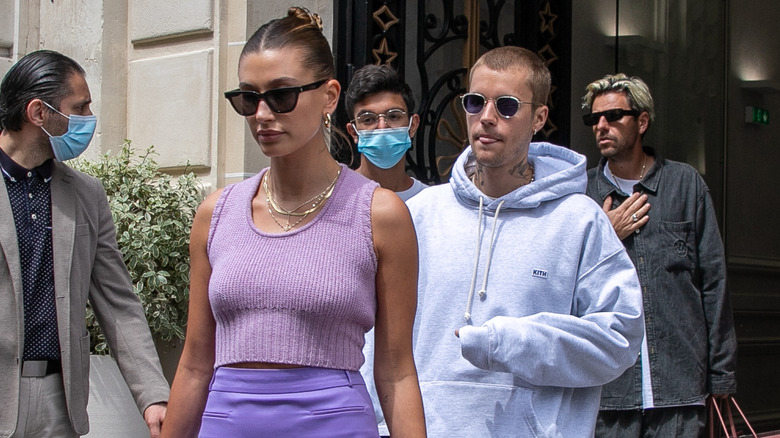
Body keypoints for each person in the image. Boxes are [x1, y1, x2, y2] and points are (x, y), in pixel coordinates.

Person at [161, 7, 426, 438]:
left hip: (334, 425)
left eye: (281, 95)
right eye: (248, 98)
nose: (262, 113)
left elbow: (396, 373)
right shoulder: (216, 213)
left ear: (329, 95)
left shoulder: (380, 215)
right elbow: (194, 364)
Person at [399, 45, 644, 437]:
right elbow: (379, 338)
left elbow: (619, 338)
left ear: (539, 118)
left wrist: (514, 342)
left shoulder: (578, 220)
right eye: (475, 102)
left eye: (507, 106)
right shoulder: (421, 214)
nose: (487, 118)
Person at [0, 50, 169, 437]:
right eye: (79, 107)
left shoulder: (86, 194)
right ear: (38, 113)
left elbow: (118, 300)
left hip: (60, 403)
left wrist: (153, 393)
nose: (88, 118)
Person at [581, 73, 737, 437]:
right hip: (609, 392)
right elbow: (561, 287)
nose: (601, 125)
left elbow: (713, 282)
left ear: (643, 121)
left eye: (614, 116)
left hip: (679, 388)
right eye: (594, 119)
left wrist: (721, 373)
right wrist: (607, 237)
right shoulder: (582, 196)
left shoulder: (685, 185)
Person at [344, 64, 426, 202]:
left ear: (413, 125)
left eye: (394, 116)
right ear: (353, 132)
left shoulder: (430, 203)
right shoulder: (336, 199)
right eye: (368, 119)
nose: (382, 127)